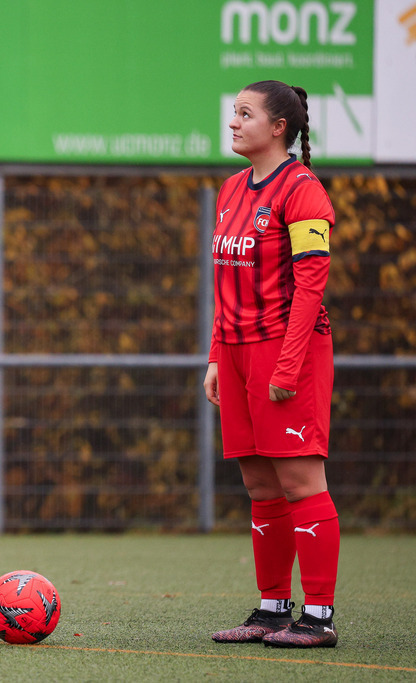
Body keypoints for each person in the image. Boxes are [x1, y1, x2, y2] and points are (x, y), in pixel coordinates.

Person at [205, 80, 339, 648]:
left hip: (288, 350)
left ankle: (320, 617)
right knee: (260, 484)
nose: (233, 123)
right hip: (235, 353)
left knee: (301, 480)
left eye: (244, 113)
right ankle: (272, 609)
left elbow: (311, 287)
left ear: (279, 126)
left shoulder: (303, 190)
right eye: (231, 113)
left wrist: (287, 366)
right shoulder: (232, 188)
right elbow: (224, 283)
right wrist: (216, 356)